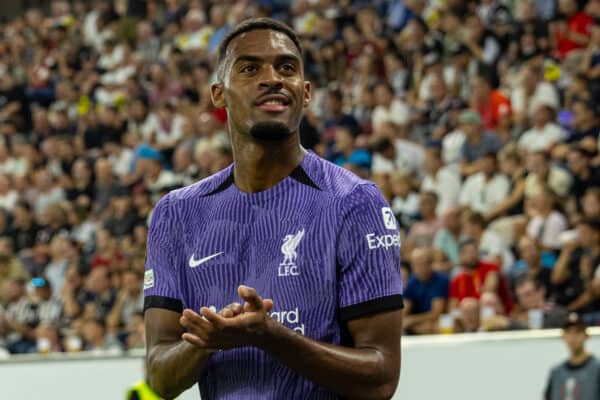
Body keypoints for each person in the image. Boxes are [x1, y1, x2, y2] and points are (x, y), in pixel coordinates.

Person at [143, 18, 403, 400]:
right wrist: (206, 342)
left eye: (286, 68)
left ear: (306, 91)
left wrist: (271, 336)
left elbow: (381, 378)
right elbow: (158, 379)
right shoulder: (176, 214)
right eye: (249, 68)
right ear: (219, 94)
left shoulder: (355, 202)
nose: (273, 78)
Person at [544, 313, 600, 400]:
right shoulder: (556, 372)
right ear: (563, 336)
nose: (573, 337)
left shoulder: (596, 369)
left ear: (586, 336)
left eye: (577, 332)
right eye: (568, 332)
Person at [403, 247, 448, 335]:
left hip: (436, 321)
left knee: (434, 327)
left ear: (431, 263)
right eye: (416, 264)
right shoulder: (411, 282)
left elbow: (436, 313)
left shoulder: (441, 280)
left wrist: (412, 320)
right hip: (422, 322)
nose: (420, 267)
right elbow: (404, 311)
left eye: (424, 263)